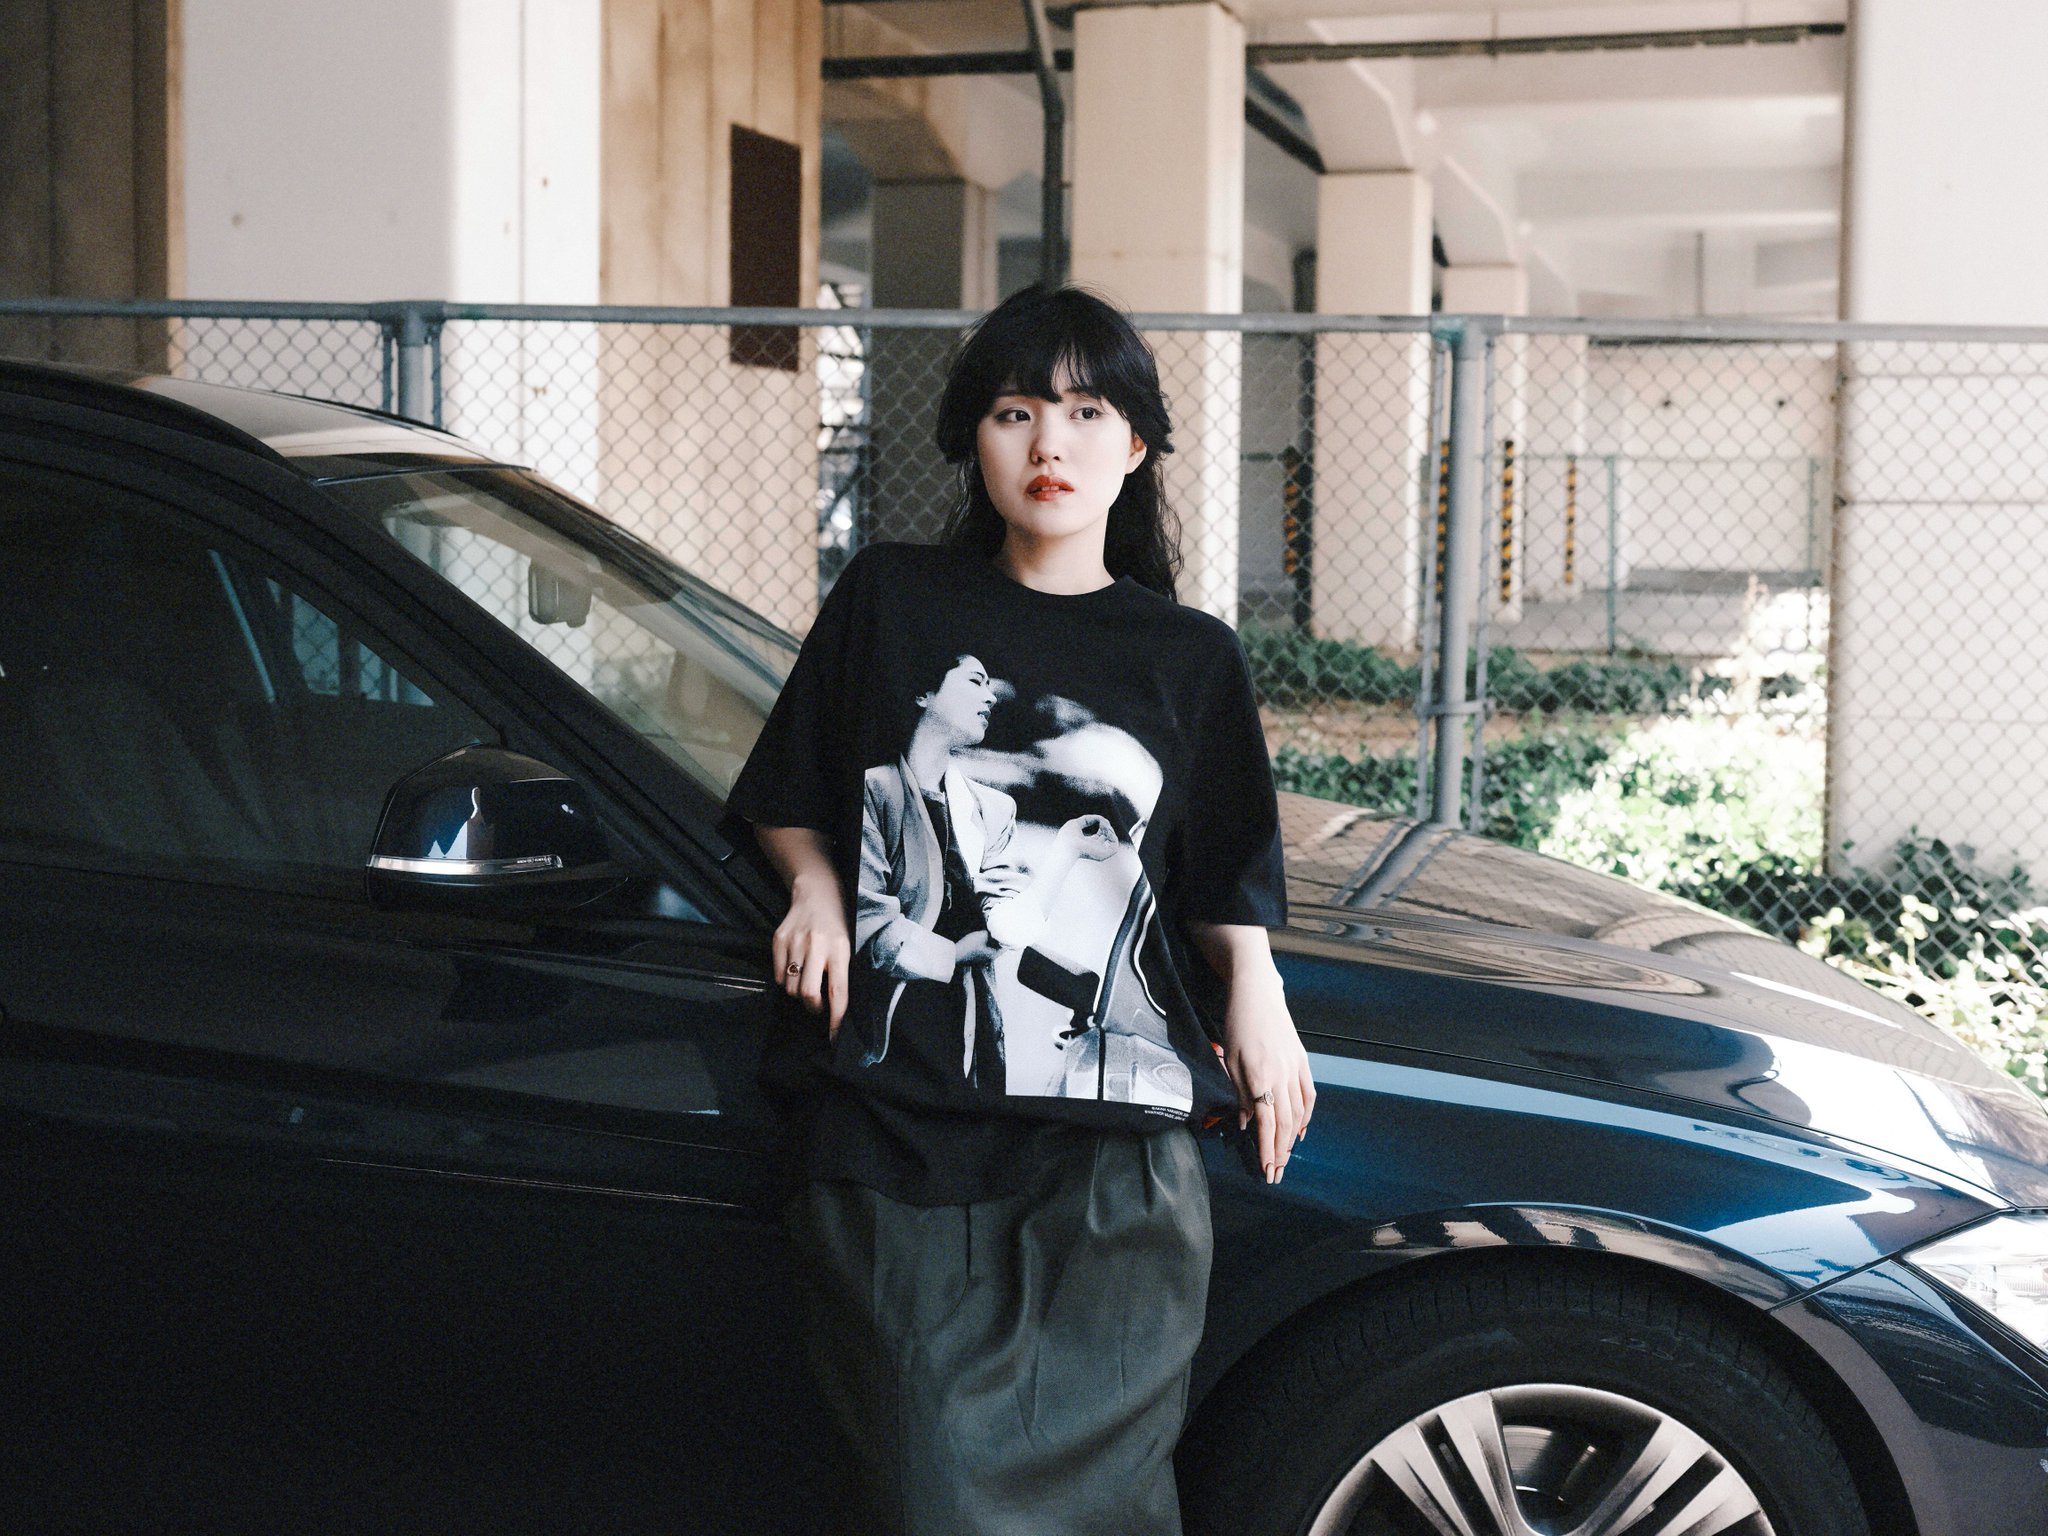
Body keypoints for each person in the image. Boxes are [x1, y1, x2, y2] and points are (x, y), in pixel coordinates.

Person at [720, 282, 1315, 1535]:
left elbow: (1220, 879)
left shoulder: (1189, 656)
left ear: (1135, 446)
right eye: (1014, 412)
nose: (1050, 444)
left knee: (1108, 1507)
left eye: (1086, 413)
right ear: (972, 440)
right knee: (925, 1482)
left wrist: (1256, 995)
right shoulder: (891, 601)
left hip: (1112, 1168)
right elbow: (789, 789)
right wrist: (816, 891)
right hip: (897, 1132)